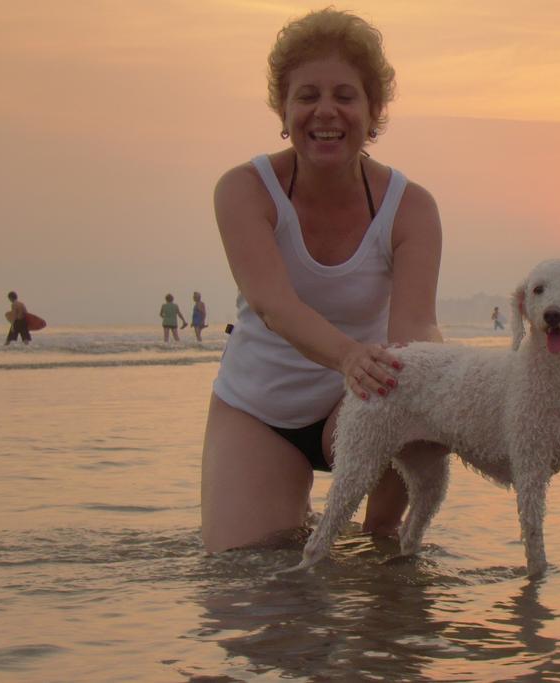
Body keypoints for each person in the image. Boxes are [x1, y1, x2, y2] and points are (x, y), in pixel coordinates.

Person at [201, 8, 445, 553]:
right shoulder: (244, 190)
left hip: (360, 406)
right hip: (260, 410)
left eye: (345, 95)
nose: (325, 111)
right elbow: (274, 305)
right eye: (307, 96)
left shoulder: (411, 207)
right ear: (284, 111)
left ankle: (380, 539)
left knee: (386, 567)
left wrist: (438, 375)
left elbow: (415, 326)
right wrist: (349, 356)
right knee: (246, 573)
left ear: (373, 110)